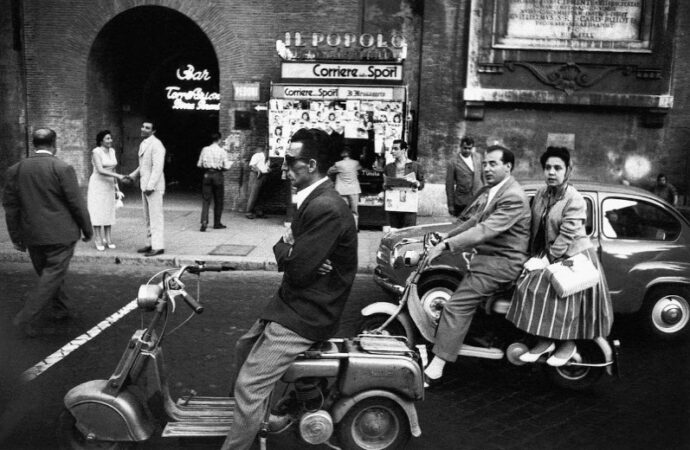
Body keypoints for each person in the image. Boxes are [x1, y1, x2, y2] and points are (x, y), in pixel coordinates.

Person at [222, 128, 358, 449]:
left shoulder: (325, 206)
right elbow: (287, 253)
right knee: (244, 346)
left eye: (289, 161)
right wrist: (293, 251)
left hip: (307, 312)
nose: (284, 168)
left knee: (249, 385)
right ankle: (254, 418)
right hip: (294, 302)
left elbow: (295, 269)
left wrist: (292, 250)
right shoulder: (313, 200)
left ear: (310, 164)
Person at [423, 145, 531, 386]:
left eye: (493, 164)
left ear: (508, 167)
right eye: (485, 164)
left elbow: (484, 230)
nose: (487, 168)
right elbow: (474, 220)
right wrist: (446, 237)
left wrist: (447, 247)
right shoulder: (496, 190)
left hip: (500, 265)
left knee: (455, 307)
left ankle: (436, 369)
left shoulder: (512, 196)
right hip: (489, 262)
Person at [506, 147, 614, 366]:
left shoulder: (575, 199)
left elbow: (566, 236)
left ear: (568, 171)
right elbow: (532, 226)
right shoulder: (541, 194)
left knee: (557, 296)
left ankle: (567, 344)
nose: (551, 172)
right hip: (549, 254)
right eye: (547, 168)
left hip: (573, 257)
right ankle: (545, 341)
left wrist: (544, 260)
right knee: (526, 285)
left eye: (557, 168)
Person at [3, 128, 93, 337]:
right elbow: (76, 203)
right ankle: (26, 317)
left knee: (49, 274)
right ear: (54, 144)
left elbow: (11, 207)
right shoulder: (62, 168)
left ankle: (62, 308)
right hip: (61, 234)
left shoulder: (15, 169)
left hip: (32, 234)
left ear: (33, 144)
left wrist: (16, 237)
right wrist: (87, 229)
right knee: (52, 274)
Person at [126, 120, 166, 257]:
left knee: (156, 217)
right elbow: (143, 165)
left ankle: (158, 246)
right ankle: (149, 244)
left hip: (153, 187)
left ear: (153, 131)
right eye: (143, 126)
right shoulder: (144, 143)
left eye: (147, 128)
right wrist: (133, 176)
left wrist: (151, 186)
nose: (143, 129)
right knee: (148, 217)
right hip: (145, 186)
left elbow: (157, 167)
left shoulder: (157, 145)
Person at [87, 130, 125, 250]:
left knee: (109, 210)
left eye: (110, 138)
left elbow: (112, 169)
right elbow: (100, 170)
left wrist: (116, 186)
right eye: (107, 139)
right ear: (101, 140)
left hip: (109, 183)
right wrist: (119, 176)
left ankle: (108, 238)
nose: (110, 140)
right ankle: (98, 238)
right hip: (98, 184)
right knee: (98, 210)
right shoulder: (96, 152)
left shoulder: (112, 151)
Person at [383, 139, 425, 228]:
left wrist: (417, 183)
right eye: (392, 149)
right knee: (394, 230)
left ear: (403, 150)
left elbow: (422, 184)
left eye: (395, 149)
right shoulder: (388, 167)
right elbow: (384, 184)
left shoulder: (415, 166)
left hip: (409, 204)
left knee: (408, 230)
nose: (392, 151)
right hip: (394, 204)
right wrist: (385, 186)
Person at [197, 132, 231, 231]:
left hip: (207, 174)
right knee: (218, 200)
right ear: (219, 139)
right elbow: (227, 166)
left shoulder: (205, 149)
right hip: (218, 175)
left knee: (206, 200)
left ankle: (204, 221)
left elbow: (199, 164)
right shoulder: (222, 151)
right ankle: (217, 223)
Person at [446, 135, 483, 217]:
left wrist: (486, 194)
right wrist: (451, 205)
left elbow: (484, 177)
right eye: (465, 148)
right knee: (461, 226)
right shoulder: (453, 162)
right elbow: (449, 185)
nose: (467, 150)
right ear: (460, 147)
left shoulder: (478, 158)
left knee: (476, 225)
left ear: (472, 148)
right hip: (461, 202)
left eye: (469, 148)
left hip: (477, 201)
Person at [327, 147, 362, 226]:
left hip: (342, 190)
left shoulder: (338, 164)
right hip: (354, 189)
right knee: (354, 211)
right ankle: (354, 227)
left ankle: (344, 228)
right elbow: (361, 170)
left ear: (342, 155)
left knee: (343, 210)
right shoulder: (356, 163)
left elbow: (329, 171)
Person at [246, 146, 270, 219]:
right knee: (253, 194)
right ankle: (248, 212)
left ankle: (259, 211)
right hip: (256, 175)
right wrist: (258, 170)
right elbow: (252, 165)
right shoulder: (257, 155)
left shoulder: (268, 159)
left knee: (261, 194)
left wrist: (269, 170)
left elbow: (266, 167)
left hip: (264, 176)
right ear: (266, 150)